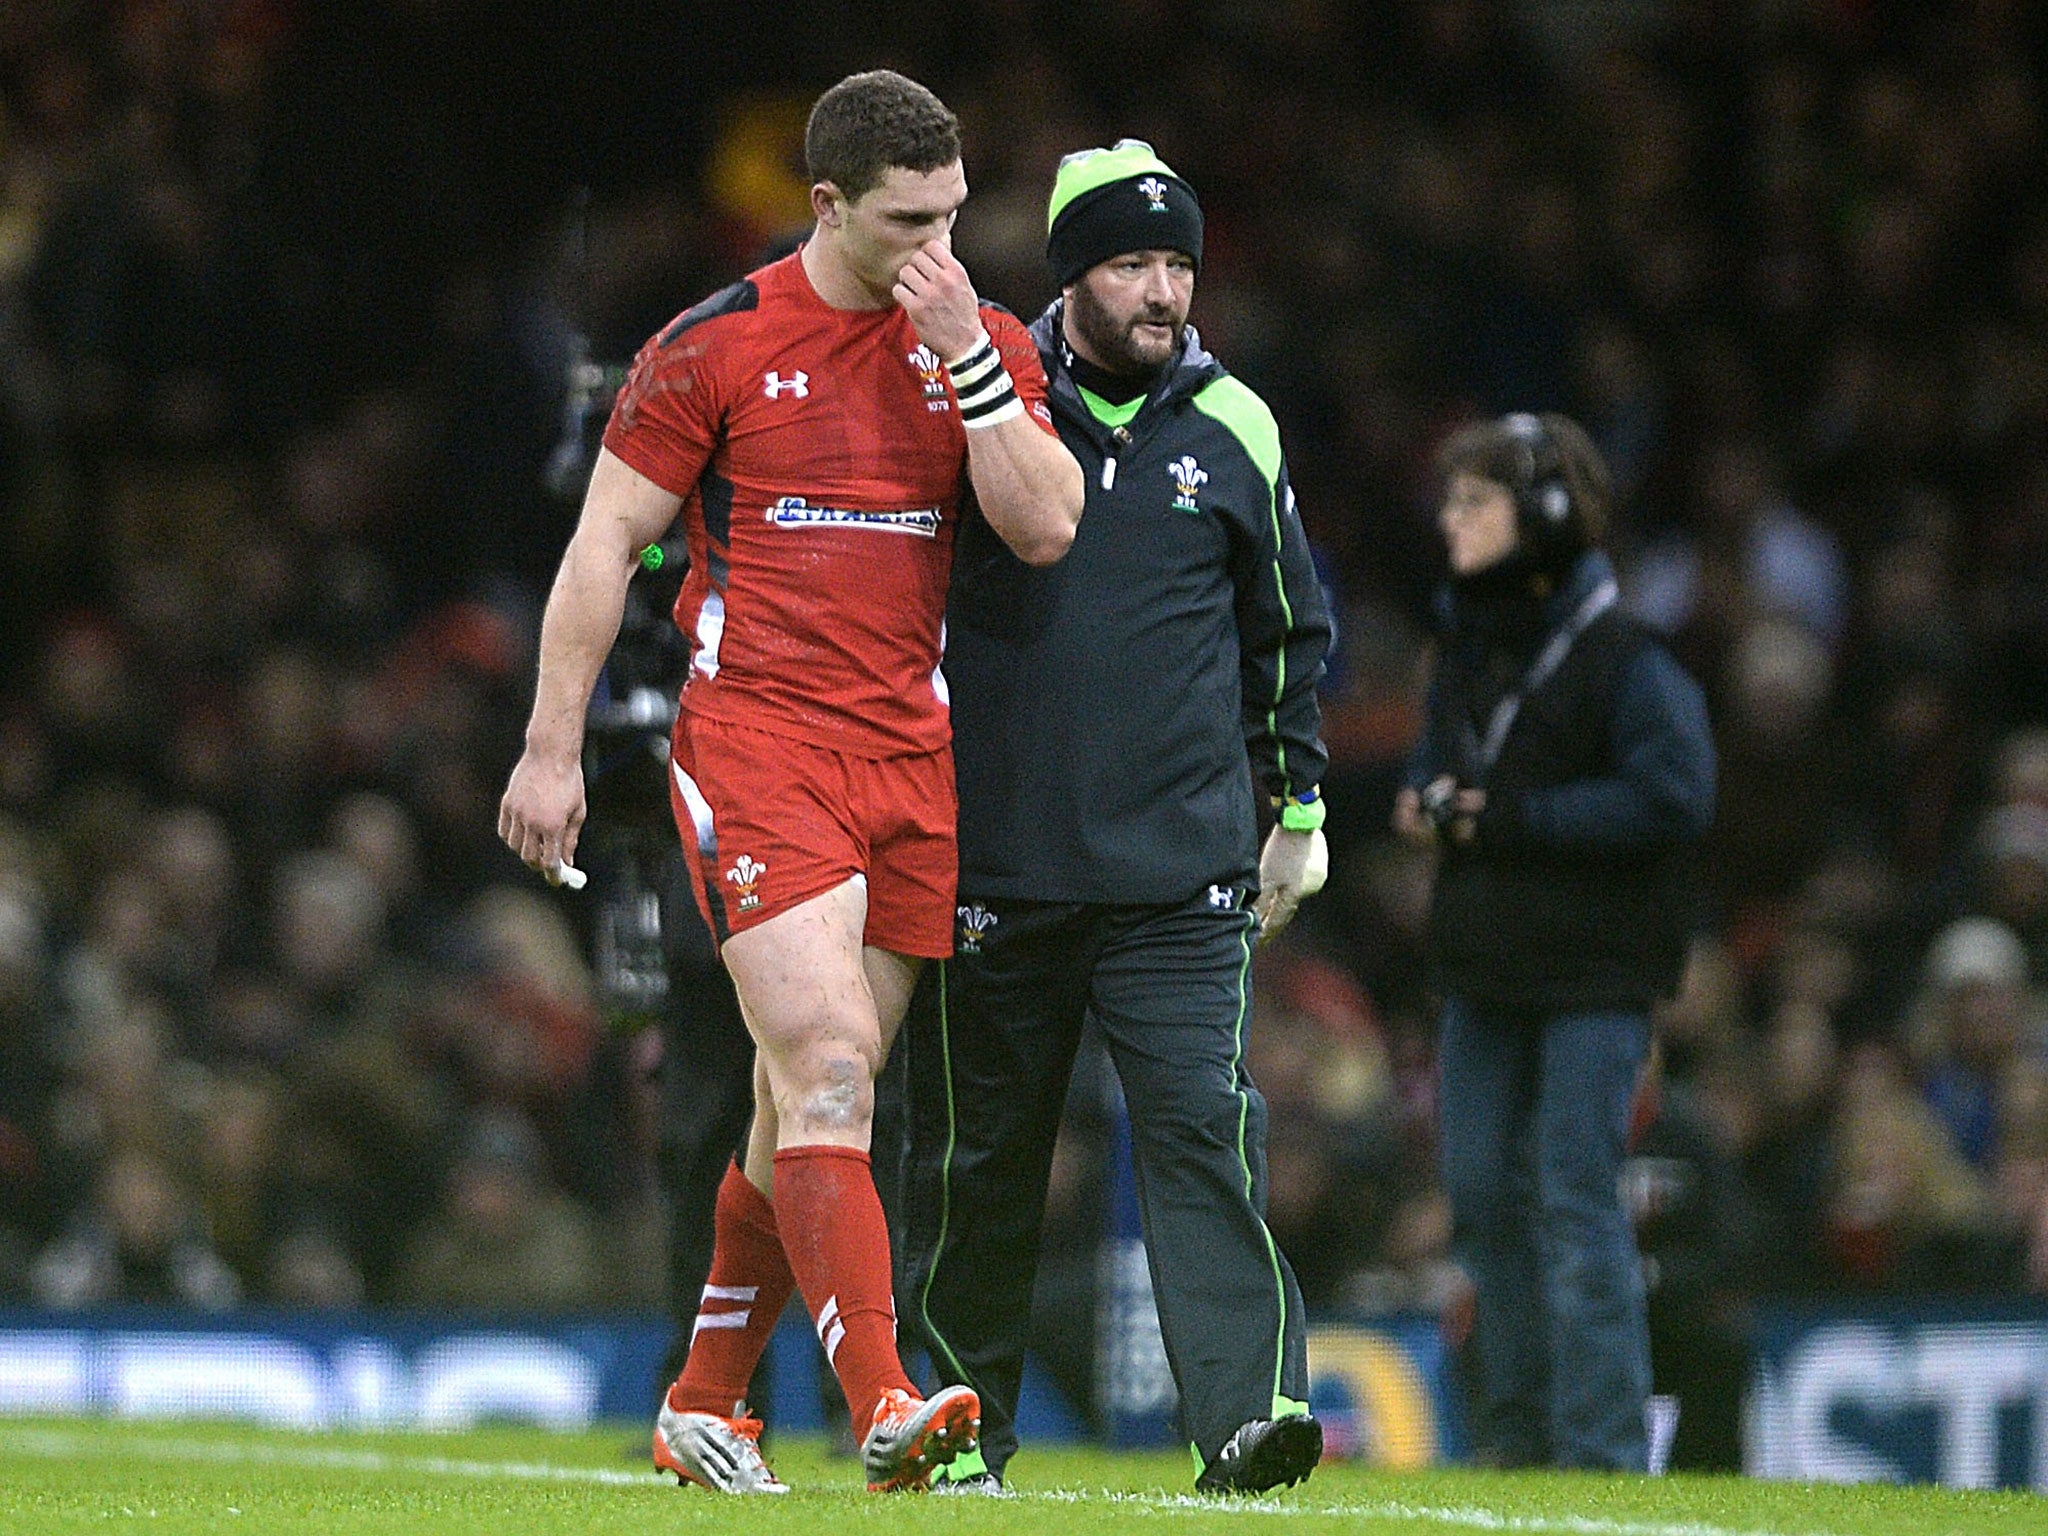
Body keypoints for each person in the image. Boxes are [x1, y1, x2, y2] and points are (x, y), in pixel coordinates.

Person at [497, 69, 1083, 1494]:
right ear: (826, 206)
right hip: (754, 742)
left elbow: (1049, 525)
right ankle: (886, 1405)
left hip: (909, 758)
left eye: (952, 215)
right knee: (828, 1070)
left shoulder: (980, 336)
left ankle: (704, 1403)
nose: (939, 247)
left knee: (798, 1102)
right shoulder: (715, 345)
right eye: (907, 220)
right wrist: (550, 745)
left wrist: (978, 363)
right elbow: (601, 548)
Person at [897, 140, 1334, 1496]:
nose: (1162, 292)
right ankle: (963, 1432)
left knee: (1204, 1130)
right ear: (1071, 276)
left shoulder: (1238, 428)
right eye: (1131, 264)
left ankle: (1251, 1417)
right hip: (996, 869)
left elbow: (1289, 636)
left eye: (1178, 265)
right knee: (979, 1164)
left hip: (1183, 880)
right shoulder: (981, 406)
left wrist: (1301, 810)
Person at [1392, 412, 1715, 1470]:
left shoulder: (1624, 657)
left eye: (1473, 500)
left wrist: (1506, 817)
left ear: (1539, 516)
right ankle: (1516, 1444)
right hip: (1484, 966)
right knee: (1482, 1201)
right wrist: (1427, 800)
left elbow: (1676, 795)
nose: (1450, 519)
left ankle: (1605, 1452)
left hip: (1594, 972)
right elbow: (1435, 765)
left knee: (1575, 1200)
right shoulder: (1466, 642)